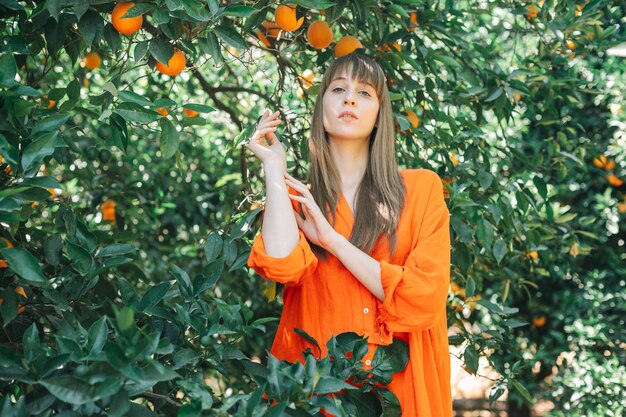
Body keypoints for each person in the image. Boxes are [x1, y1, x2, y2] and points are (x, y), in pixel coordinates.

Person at [246, 53, 452, 417]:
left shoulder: (422, 190)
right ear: (321, 108)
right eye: (338, 88)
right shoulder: (298, 200)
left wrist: (331, 240)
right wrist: (274, 171)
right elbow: (280, 266)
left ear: (378, 116)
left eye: (365, 92)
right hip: (318, 389)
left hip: (402, 389)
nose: (350, 99)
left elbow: (425, 297)